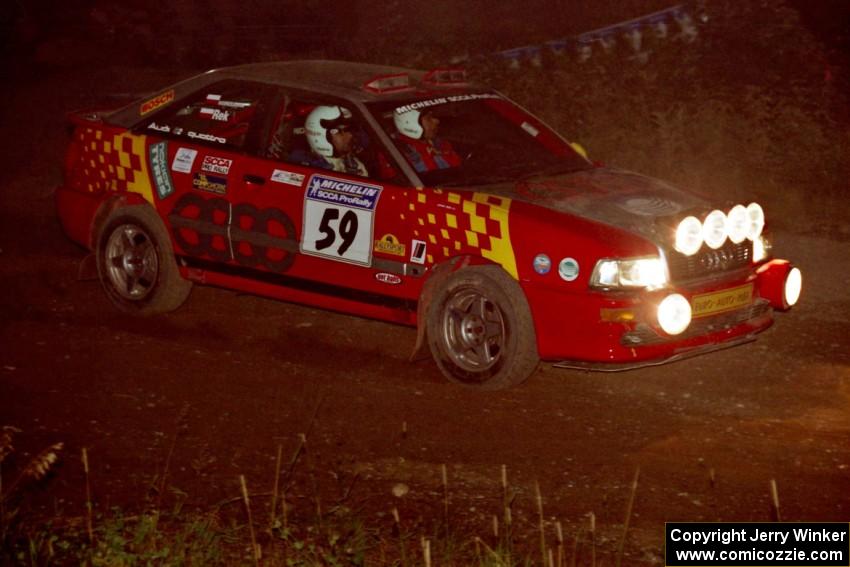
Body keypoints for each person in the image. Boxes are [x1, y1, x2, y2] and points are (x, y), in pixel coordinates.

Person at [299, 105, 368, 177]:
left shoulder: (356, 166)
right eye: (340, 132)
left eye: (349, 130)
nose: (350, 135)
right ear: (320, 135)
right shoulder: (304, 169)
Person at [393, 108, 461, 173]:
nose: (437, 121)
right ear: (410, 123)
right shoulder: (396, 153)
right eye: (428, 118)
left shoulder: (441, 144)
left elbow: (459, 171)